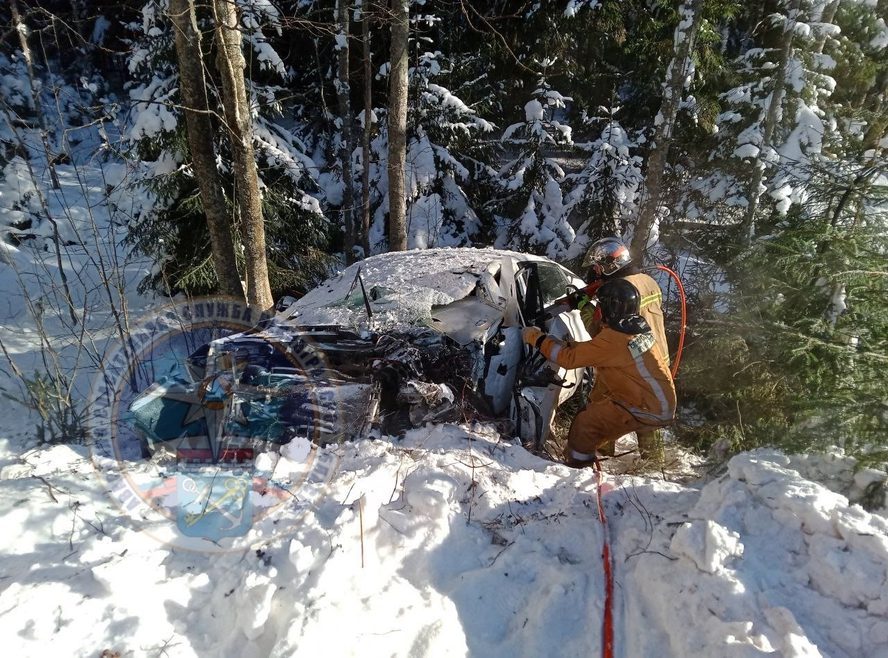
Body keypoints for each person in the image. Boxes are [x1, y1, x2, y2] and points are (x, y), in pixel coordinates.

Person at [524, 279, 676, 467]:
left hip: (647, 406)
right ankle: (594, 456)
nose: (598, 311)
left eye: (600, 306)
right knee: (598, 412)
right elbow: (596, 349)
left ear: (609, 310)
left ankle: (577, 467)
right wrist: (565, 344)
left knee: (586, 423)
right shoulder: (633, 328)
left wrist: (537, 339)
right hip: (655, 401)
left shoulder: (616, 339)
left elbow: (568, 360)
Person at [578, 237, 670, 462]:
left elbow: (600, 333)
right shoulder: (648, 281)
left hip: (624, 362)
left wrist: (583, 307)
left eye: (598, 267)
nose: (595, 272)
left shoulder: (616, 292)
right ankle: (654, 464)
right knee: (649, 409)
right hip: (657, 357)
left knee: (601, 402)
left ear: (611, 264)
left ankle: (600, 454)